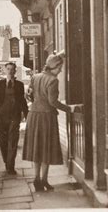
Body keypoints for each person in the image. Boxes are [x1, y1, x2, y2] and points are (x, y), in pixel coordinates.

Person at [22, 54, 77, 191]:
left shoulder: (35, 77)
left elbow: (28, 95)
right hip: (46, 117)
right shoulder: (53, 80)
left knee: (37, 148)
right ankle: (44, 180)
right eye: (60, 67)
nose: (61, 70)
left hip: (34, 115)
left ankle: (37, 178)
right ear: (55, 66)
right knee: (45, 148)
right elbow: (53, 102)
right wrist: (69, 109)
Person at [0, 62, 28, 175]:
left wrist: (27, 115)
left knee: (13, 141)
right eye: (8, 69)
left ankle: (10, 166)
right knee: (3, 142)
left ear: (15, 71)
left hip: (14, 117)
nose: (10, 71)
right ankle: (7, 162)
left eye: (12, 69)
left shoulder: (19, 85)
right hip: (1, 117)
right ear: (5, 70)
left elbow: (22, 101)